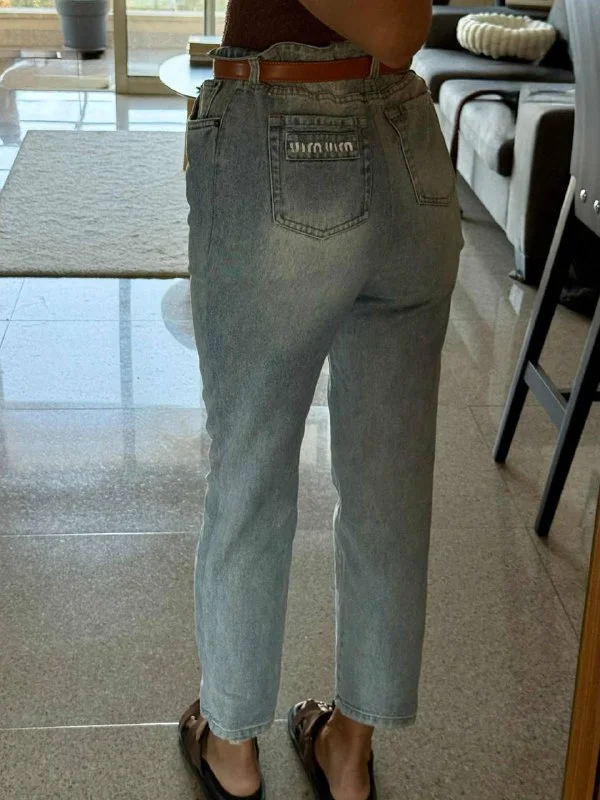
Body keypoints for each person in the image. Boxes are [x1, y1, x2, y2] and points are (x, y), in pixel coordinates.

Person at [178, 0, 463, 798]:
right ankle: (347, 753)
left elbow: (397, 26)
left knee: (250, 471)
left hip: (284, 127)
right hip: (407, 138)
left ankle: (232, 751)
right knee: (389, 489)